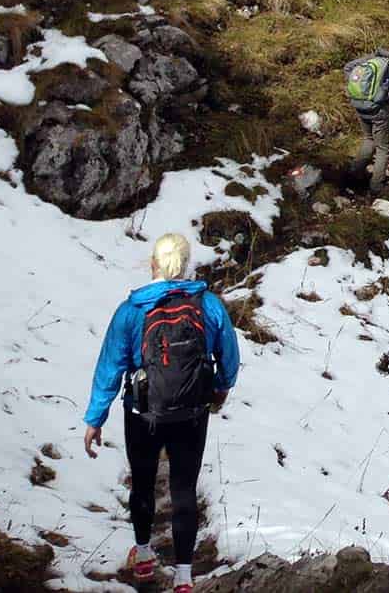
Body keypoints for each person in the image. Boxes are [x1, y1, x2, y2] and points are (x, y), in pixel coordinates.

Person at [83, 232, 240, 593]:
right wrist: (220, 388)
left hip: (142, 412)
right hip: (192, 413)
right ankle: (184, 576)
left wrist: (95, 418)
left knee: (143, 483)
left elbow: (110, 367)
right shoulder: (208, 305)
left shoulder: (131, 310)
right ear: (186, 265)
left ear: (152, 264)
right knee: (184, 489)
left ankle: (142, 556)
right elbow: (229, 358)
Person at [345, 32, 389, 194]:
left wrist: (355, 90)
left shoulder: (376, 56)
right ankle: (376, 186)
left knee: (368, 139)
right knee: (383, 148)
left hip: (360, 105)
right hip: (380, 109)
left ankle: (353, 175)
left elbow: (348, 67)